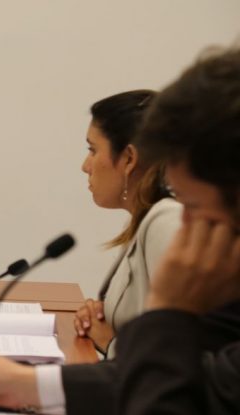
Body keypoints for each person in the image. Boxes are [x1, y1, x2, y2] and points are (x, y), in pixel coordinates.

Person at [0, 46, 240, 415]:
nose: (184, 225)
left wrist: (168, 317)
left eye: (195, 207)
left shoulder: (165, 224)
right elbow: (210, 384)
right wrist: (15, 383)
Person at [75, 90, 182, 357]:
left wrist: (111, 343)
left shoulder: (166, 222)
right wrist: (103, 316)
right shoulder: (149, 217)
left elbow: (176, 353)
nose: (85, 166)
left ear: (129, 159)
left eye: (92, 150)